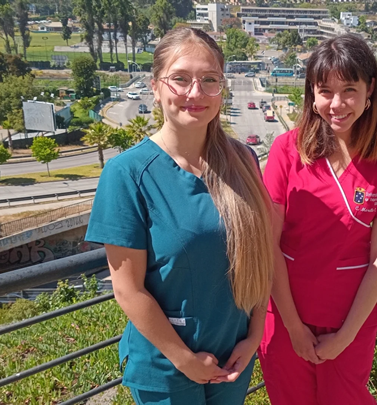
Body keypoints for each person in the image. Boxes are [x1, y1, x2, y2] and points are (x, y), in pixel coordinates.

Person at [85, 28, 274, 405]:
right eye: (181, 79)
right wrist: (184, 359)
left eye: (209, 80)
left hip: (233, 357)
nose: (195, 93)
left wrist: (254, 335)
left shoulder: (243, 160)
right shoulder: (127, 174)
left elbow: (258, 254)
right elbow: (127, 290)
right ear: (156, 87)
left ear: (222, 88)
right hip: (167, 369)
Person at [257, 34, 377, 404]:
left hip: (349, 321)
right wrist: (294, 327)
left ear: (370, 90)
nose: (336, 104)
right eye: (325, 91)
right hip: (286, 315)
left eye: (349, 90)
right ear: (312, 93)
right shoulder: (287, 150)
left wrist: (346, 336)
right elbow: (268, 243)